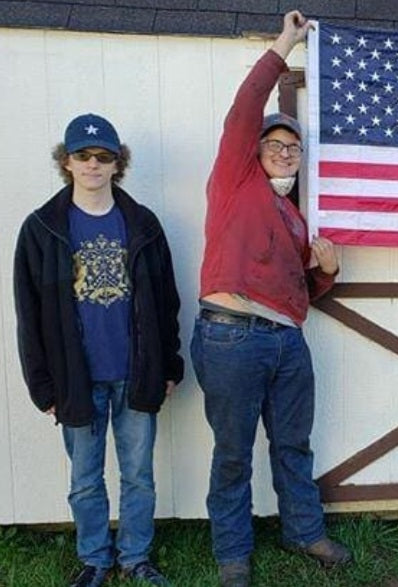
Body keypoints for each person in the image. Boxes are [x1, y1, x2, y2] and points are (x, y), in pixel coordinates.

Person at [190, 10, 347, 587]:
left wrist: (327, 273)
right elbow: (245, 107)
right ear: (254, 150)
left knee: (293, 445)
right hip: (230, 336)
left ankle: (304, 530)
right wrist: (286, 42)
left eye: (294, 147)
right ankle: (233, 555)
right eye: (275, 143)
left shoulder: (295, 218)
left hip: (287, 341)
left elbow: (300, 293)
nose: (285, 151)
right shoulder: (235, 180)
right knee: (233, 454)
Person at [14, 113, 183, 587]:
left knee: (139, 476)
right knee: (85, 479)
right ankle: (94, 559)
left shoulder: (143, 224)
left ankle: (136, 558)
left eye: (104, 156)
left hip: (135, 372)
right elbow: (29, 314)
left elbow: (166, 300)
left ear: (117, 163)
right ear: (66, 161)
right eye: (83, 155)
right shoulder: (42, 229)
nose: (93, 164)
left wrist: (169, 364)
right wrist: (42, 384)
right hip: (75, 378)